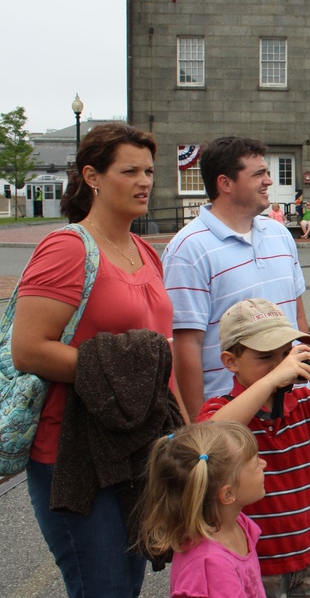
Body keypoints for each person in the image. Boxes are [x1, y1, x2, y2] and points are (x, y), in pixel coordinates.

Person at [11, 123, 182, 598]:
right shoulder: (67, 248)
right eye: (129, 171)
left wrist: (183, 429)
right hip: (72, 451)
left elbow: (160, 355)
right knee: (101, 585)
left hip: (136, 444)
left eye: (149, 170)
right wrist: (129, 373)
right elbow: (28, 348)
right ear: (93, 176)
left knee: (127, 582)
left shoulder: (146, 250)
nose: (145, 181)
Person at [162, 137, 310, 522]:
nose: (268, 181)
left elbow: (296, 314)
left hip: (294, 410)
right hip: (233, 418)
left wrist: (307, 378)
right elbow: (184, 346)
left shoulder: (278, 236)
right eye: (258, 173)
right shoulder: (188, 248)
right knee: (239, 528)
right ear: (225, 183)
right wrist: (199, 432)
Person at [197, 298, 310, 598]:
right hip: (253, 562)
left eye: (286, 354)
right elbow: (211, 438)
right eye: (266, 357)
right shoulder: (224, 410)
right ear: (231, 361)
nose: (282, 365)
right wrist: (269, 382)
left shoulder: (305, 404)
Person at [140, 421, 268, 598]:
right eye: (255, 464)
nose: (264, 464)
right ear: (228, 493)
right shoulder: (212, 568)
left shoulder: (235, 523)